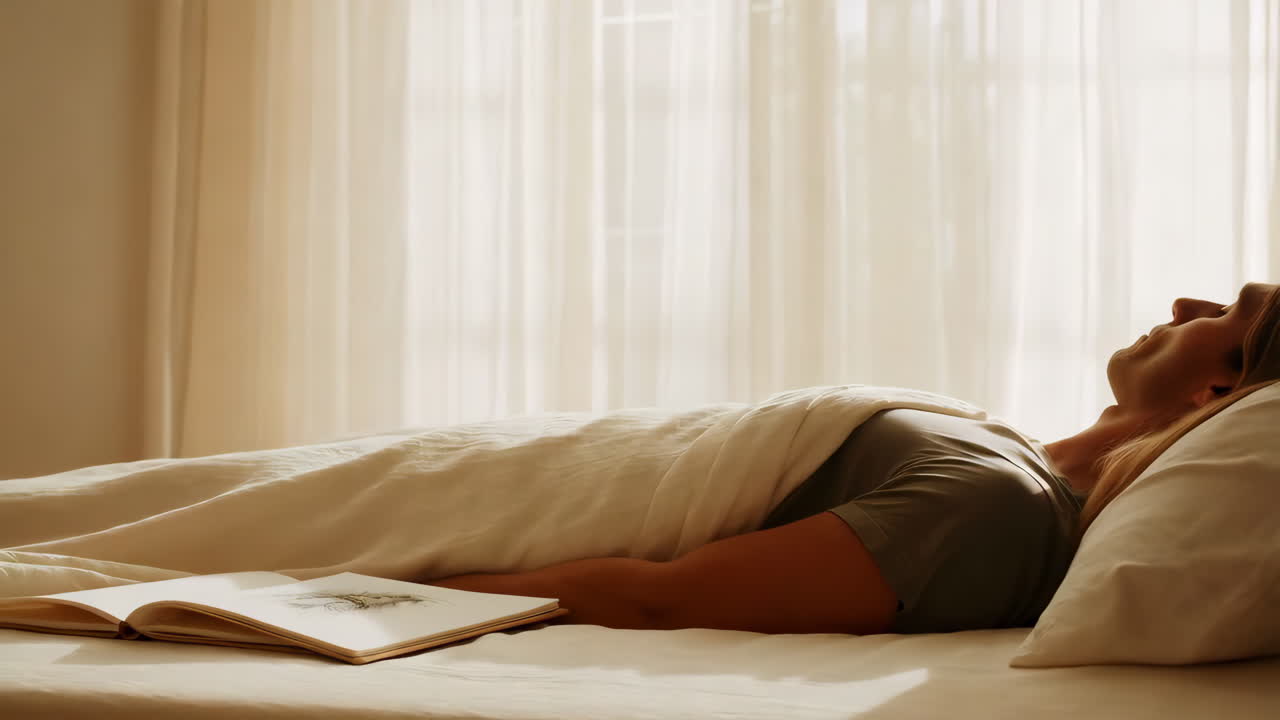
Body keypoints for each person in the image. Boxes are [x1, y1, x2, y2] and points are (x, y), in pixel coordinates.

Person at [427, 282, 1280, 636]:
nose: (1183, 301)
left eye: (1228, 312)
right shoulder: (1010, 461)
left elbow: (658, 597)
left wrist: (383, 600)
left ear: (1218, 392)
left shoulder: (995, 510)